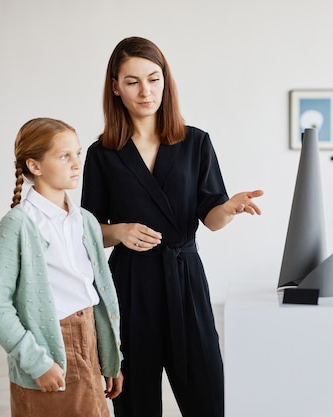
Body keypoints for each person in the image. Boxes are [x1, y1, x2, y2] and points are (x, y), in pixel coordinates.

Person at [81, 36, 264, 417]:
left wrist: (228, 208)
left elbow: (211, 219)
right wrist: (120, 232)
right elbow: (87, 229)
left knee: (209, 397)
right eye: (132, 82)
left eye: (154, 79)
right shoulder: (102, 153)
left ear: (166, 81)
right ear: (115, 87)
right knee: (135, 402)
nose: (146, 91)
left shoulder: (195, 142)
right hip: (130, 286)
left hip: (185, 280)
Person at [0, 118, 123, 417]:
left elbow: (95, 293)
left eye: (78, 154)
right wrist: (38, 363)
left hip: (90, 340)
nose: (76, 164)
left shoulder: (85, 221)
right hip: (49, 346)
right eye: (64, 156)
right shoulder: (18, 224)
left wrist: (110, 359)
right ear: (34, 165)